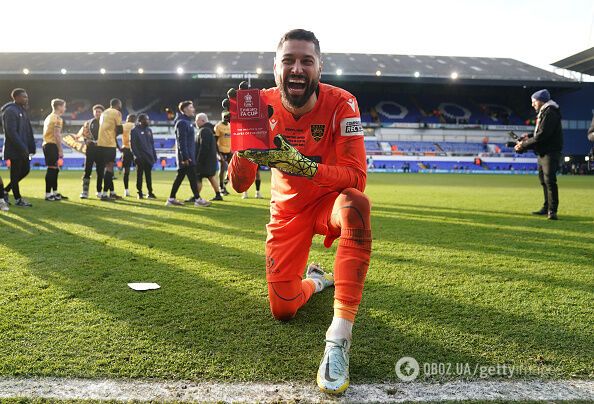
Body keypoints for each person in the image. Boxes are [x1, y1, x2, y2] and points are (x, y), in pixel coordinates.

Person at [224, 29, 371, 394]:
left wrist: (304, 165)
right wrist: (243, 144)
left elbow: (357, 177)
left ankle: (338, 338)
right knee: (283, 309)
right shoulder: (258, 105)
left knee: (357, 205)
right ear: (275, 68)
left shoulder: (343, 103)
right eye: (288, 60)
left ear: (320, 67)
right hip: (287, 212)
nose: (297, 68)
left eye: (307, 60)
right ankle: (317, 280)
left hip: (328, 202)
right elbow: (239, 185)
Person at [515, 89, 563, 220]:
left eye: (533, 101)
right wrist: (528, 136)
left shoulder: (550, 112)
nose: (532, 104)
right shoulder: (545, 112)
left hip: (550, 152)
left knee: (549, 181)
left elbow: (543, 134)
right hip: (543, 151)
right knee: (544, 181)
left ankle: (552, 211)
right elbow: (540, 132)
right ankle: (547, 207)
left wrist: (523, 145)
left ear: (540, 101)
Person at [166, 101, 211, 207]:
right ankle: (197, 199)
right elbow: (181, 141)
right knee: (191, 178)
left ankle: (172, 199)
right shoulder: (182, 122)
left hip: (188, 155)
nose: (193, 109)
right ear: (185, 109)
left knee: (183, 177)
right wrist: (185, 157)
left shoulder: (187, 122)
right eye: (191, 107)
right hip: (186, 157)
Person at [1, 88, 36, 207]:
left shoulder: (22, 110)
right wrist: (22, 147)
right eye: (24, 97)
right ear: (16, 97)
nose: (26, 98)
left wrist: (31, 147)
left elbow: (28, 131)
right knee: (15, 174)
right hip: (15, 149)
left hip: (23, 148)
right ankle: (17, 199)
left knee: (25, 170)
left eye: (27, 96)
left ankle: (5, 191)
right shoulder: (10, 111)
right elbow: (11, 132)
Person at [97, 98, 124, 201]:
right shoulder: (117, 112)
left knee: (108, 169)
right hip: (109, 145)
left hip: (101, 144)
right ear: (118, 104)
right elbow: (120, 129)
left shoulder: (104, 113)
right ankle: (104, 194)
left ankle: (111, 193)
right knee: (109, 169)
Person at [42, 99, 67, 201]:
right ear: (59, 107)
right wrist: (60, 150)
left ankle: (55, 192)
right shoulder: (57, 118)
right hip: (51, 145)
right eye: (64, 106)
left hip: (47, 144)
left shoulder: (49, 117)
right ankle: (48, 194)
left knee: (55, 169)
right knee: (52, 169)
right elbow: (57, 135)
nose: (65, 108)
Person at [195, 113, 223, 201]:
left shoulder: (204, 130)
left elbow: (204, 146)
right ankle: (218, 195)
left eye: (197, 120)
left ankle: (196, 196)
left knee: (198, 177)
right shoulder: (210, 130)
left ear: (202, 120)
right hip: (210, 160)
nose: (195, 122)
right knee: (210, 176)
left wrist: (199, 160)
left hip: (204, 160)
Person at [80, 104, 104, 199]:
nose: (97, 113)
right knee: (87, 171)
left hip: (101, 150)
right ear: (93, 112)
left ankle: (99, 191)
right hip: (90, 150)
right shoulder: (88, 123)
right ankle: (84, 192)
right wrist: (87, 141)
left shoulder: (105, 123)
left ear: (102, 113)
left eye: (99, 111)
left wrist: (100, 141)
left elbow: (109, 136)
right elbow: (84, 136)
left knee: (100, 172)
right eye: (96, 111)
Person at [130, 113, 157, 199]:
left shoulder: (149, 130)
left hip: (149, 157)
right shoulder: (134, 130)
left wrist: (154, 155)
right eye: (146, 119)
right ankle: (139, 192)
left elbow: (152, 144)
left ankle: (150, 192)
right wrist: (137, 156)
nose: (147, 121)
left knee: (148, 175)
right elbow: (133, 145)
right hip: (140, 157)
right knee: (139, 175)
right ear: (140, 121)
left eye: (148, 119)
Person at [214, 112, 232, 195]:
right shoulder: (218, 126)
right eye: (225, 117)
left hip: (229, 151)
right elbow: (215, 141)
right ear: (222, 117)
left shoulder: (230, 125)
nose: (226, 118)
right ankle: (221, 187)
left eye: (228, 117)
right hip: (221, 150)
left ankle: (224, 183)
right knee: (222, 168)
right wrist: (218, 154)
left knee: (231, 169)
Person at [120, 114, 136, 196]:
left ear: (128, 119)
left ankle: (126, 190)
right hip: (135, 150)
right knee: (140, 170)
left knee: (126, 171)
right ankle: (139, 191)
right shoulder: (135, 126)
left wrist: (119, 147)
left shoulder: (123, 126)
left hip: (125, 149)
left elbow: (113, 134)